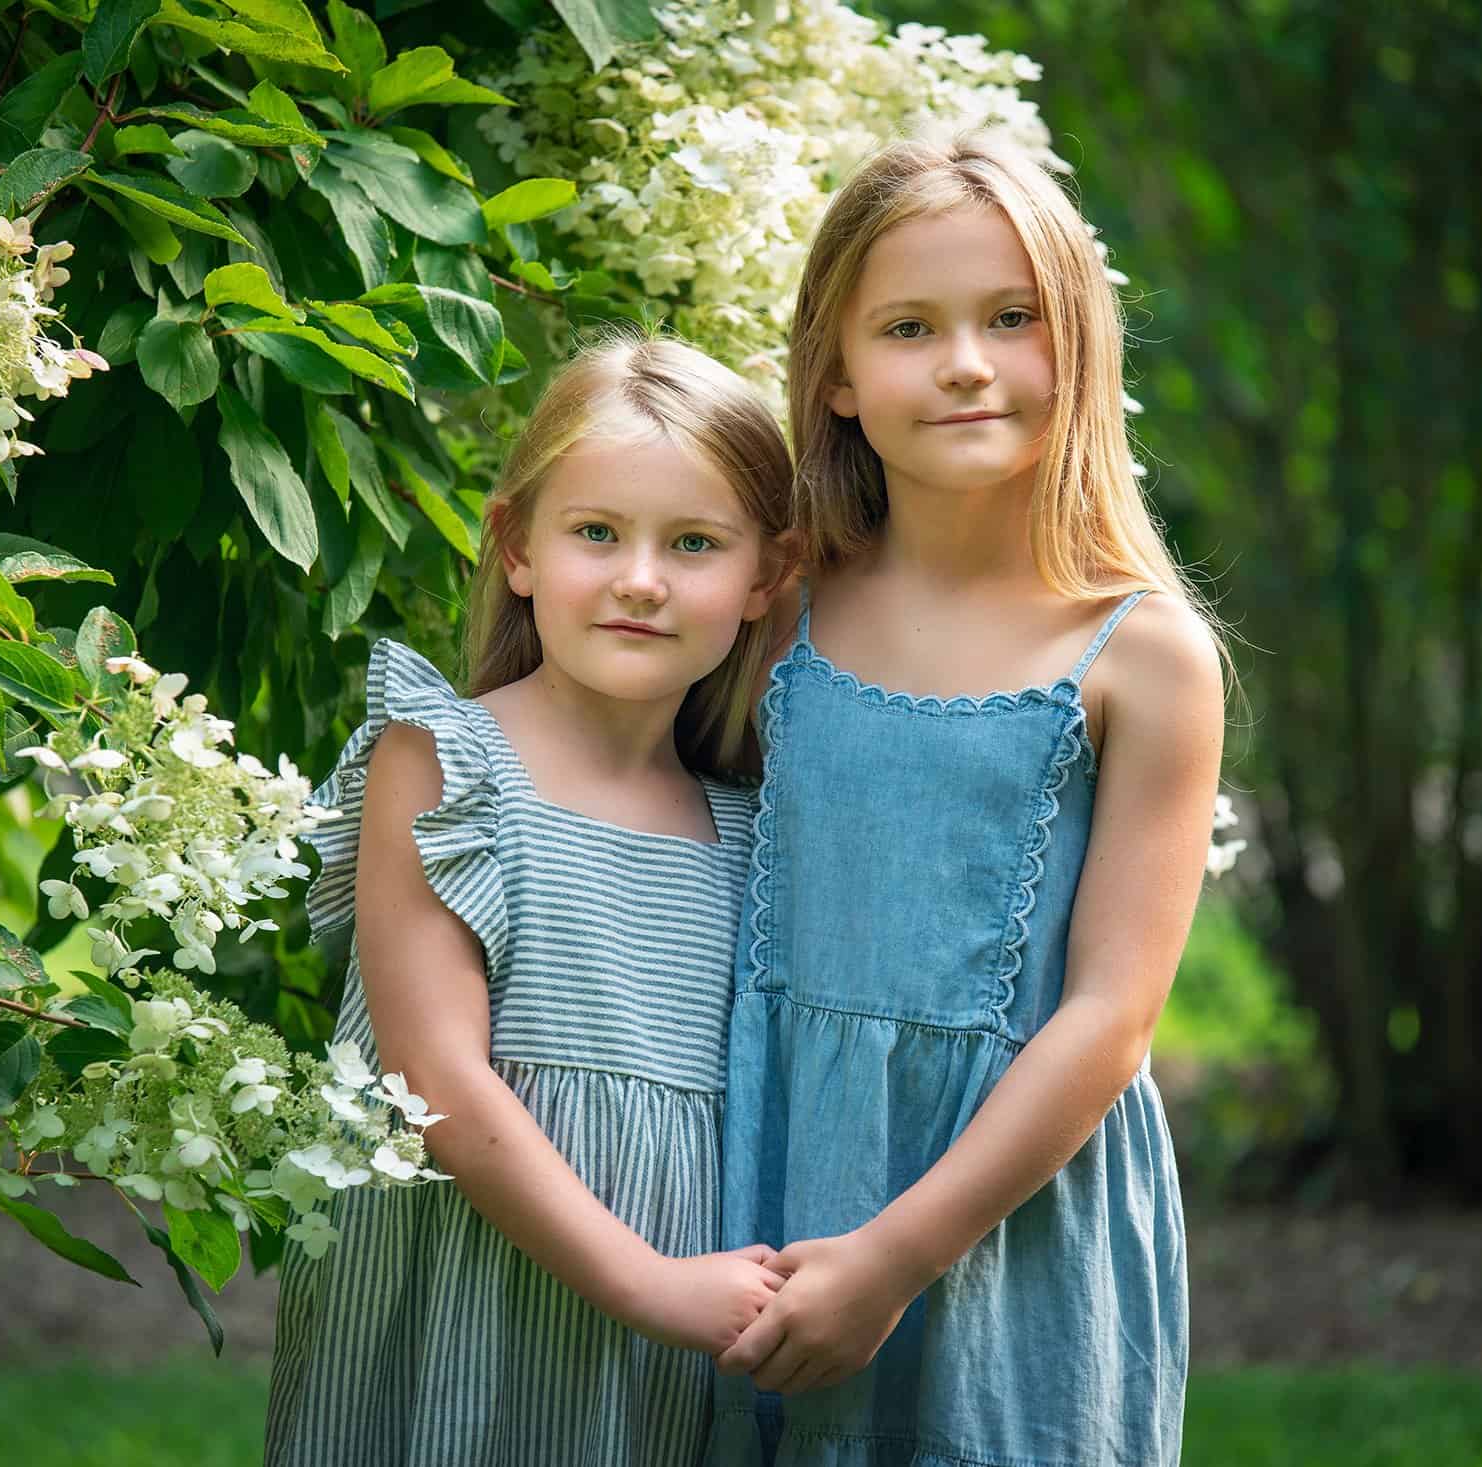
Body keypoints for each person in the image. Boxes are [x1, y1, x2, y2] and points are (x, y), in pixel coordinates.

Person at [707, 128, 1229, 1467]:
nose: (964, 363)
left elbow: (1111, 1020)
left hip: (1007, 1210)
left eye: (1012, 319)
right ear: (833, 371)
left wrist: (895, 1256)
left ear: (1080, 346)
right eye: (909, 326)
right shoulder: (775, 603)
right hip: (768, 1167)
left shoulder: (1144, 654)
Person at [265, 334, 795, 1467]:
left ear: (762, 580)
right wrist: (646, 1285)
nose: (640, 578)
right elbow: (434, 1078)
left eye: (693, 544)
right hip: (464, 1290)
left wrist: (681, 1294)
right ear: (516, 548)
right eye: (595, 533)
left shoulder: (751, 828)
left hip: (660, 1352)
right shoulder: (445, 766)